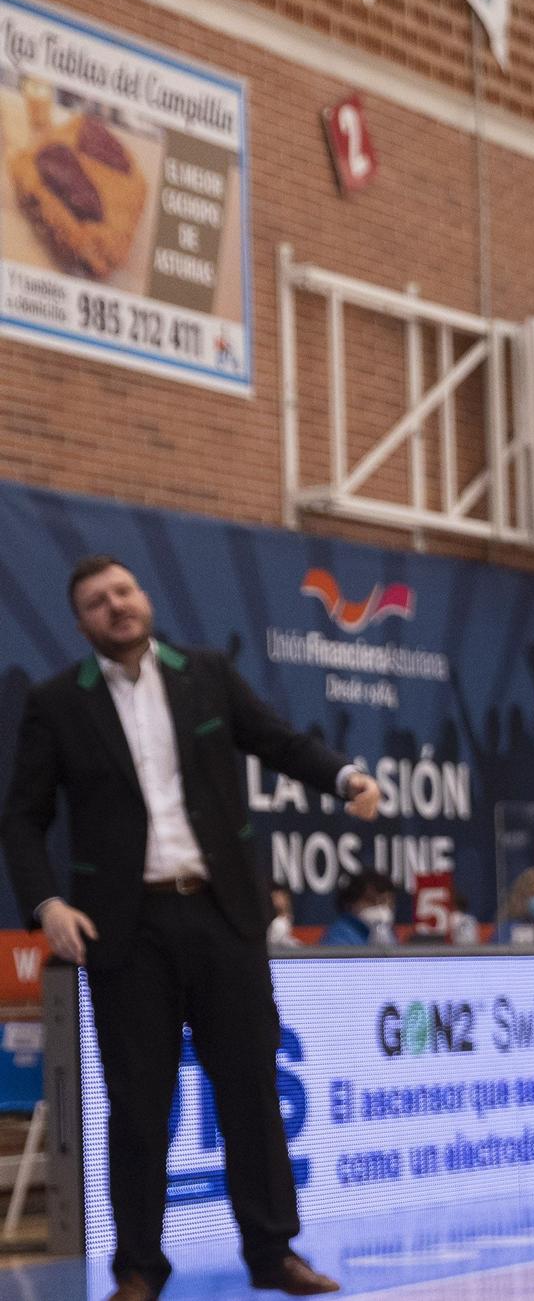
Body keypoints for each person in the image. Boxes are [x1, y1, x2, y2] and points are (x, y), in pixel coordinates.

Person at [0, 555, 378, 1301]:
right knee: (139, 1107)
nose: (117, 605)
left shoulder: (206, 672)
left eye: (125, 590)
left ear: (144, 598)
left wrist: (344, 776)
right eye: (97, 602)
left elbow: (279, 741)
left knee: (251, 1093)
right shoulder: (58, 703)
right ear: (81, 623)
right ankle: (138, 1269)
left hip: (223, 913)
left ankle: (274, 1253)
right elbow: (22, 816)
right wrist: (47, 904)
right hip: (123, 929)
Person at [319, 869, 398, 947]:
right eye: (371, 900)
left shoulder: (386, 932)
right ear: (351, 903)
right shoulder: (338, 936)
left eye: (386, 902)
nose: (381, 908)